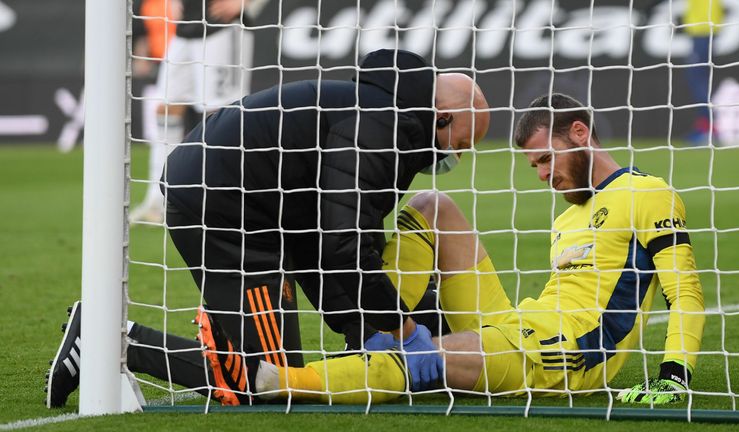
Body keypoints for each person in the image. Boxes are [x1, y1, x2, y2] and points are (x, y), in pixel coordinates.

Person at [45, 48, 490, 408]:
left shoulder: (395, 124)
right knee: (265, 382)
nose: (459, 157)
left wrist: (364, 326)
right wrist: (404, 330)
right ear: (442, 119)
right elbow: (341, 245)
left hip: (267, 217)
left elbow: (336, 237)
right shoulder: (381, 125)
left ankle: (224, 327)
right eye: (462, 144)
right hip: (223, 208)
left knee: (290, 372)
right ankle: (110, 338)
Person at [253, 93, 705, 406]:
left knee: (423, 359)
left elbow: (684, 292)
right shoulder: (569, 215)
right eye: (535, 166)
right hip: (521, 323)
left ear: (580, 133)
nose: (543, 175)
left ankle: (286, 381)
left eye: (547, 159)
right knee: (433, 205)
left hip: (566, 356)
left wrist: (674, 376)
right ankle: (376, 326)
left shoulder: (647, 193)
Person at [129, 0, 267, 224]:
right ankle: (159, 199)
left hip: (222, 25)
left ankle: (228, 200)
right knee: (166, 108)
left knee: (222, 115)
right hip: (186, 26)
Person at [683, 0, 723, 145]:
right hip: (705, 30)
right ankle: (706, 125)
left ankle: (708, 127)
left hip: (703, 30)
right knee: (699, 79)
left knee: (696, 79)